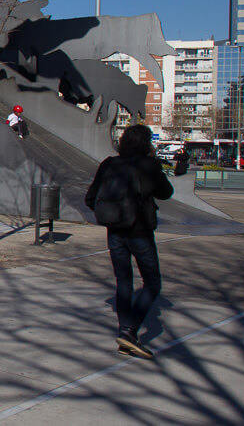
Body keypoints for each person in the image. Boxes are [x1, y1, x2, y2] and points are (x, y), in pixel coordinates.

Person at [84, 124, 174, 359]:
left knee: (123, 280)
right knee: (152, 282)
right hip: (140, 231)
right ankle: (130, 331)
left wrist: (110, 213)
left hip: (115, 231)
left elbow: (90, 197)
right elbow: (166, 192)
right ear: (146, 143)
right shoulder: (148, 165)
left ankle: (125, 330)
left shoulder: (109, 164)